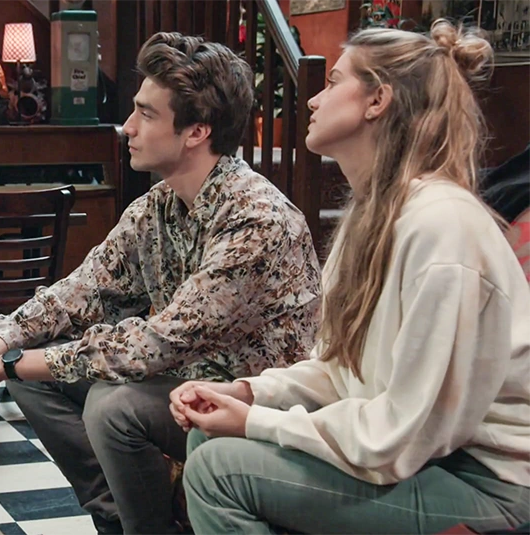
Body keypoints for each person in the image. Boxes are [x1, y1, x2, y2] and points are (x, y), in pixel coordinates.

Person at [0, 32, 322, 535]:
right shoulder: (157, 207)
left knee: (111, 403)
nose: (127, 127)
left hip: (249, 406)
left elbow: (157, 342)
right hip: (182, 388)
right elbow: (79, 292)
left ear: (196, 131)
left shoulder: (257, 220)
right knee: (34, 373)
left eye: (145, 114)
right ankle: (118, 520)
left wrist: (4, 364)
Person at [173, 20, 530, 534]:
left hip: (486, 480)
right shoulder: (372, 217)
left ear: (377, 100)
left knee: (219, 470)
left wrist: (257, 421)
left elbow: (405, 436)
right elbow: (342, 374)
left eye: (334, 82)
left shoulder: (442, 226)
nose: (313, 100)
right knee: (207, 438)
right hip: (430, 458)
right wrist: (249, 393)